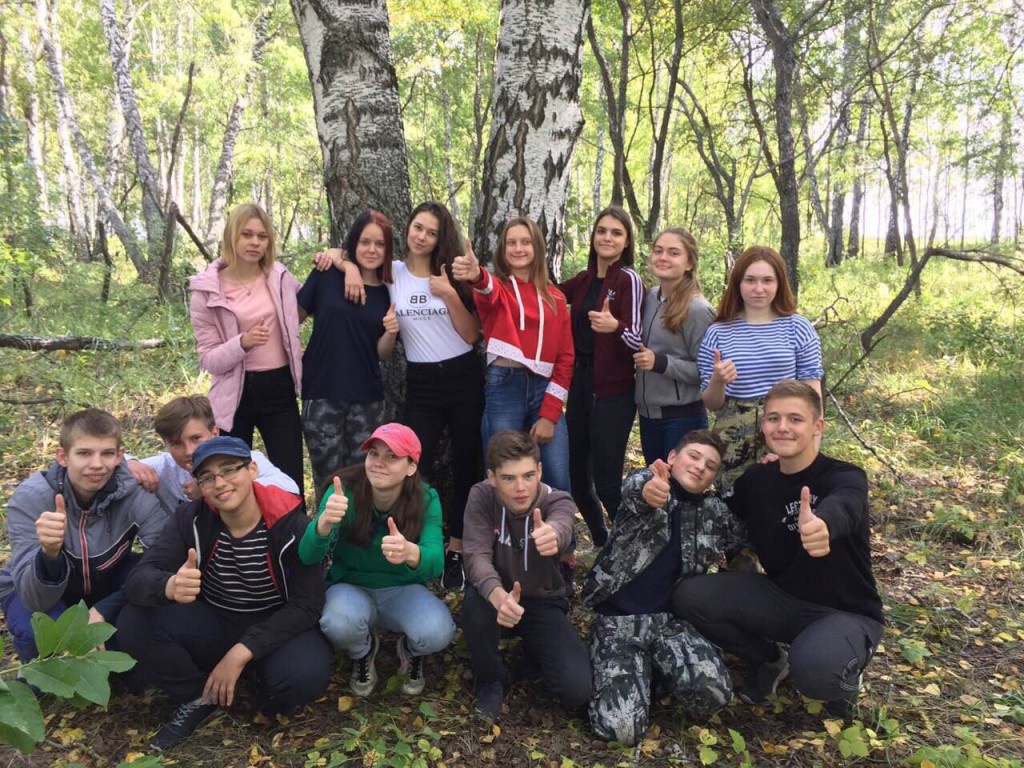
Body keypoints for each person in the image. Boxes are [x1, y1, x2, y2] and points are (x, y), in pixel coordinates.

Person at [672, 381, 884, 721]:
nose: (782, 427)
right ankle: (768, 659)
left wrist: (824, 525)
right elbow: (714, 514)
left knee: (814, 671)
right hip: (782, 599)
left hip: (846, 612)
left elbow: (847, 503)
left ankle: (843, 678)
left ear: (817, 426)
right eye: (773, 418)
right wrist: (663, 489)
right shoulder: (757, 479)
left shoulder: (844, 475)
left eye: (795, 419)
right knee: (690, 595)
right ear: (764, 426)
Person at [117, 437, 331, 751]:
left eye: (230, 470)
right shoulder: (191, 519)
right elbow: (139, 577)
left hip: (275, 624)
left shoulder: (291, 524)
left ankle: (253, 682)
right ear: (200, 486)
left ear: (252, 470)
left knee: (304, 676)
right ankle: (198, 697)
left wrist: (242, 652)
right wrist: (169, 585)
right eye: (207, 477)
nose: (220, 483)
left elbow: (307, 605)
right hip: (214, 620)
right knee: (135, 620)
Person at [319, 202, 483, 590]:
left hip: (463, 375)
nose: (422, 237)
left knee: (467, 463)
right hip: (421, 381)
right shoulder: (391, 273)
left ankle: (456, 549)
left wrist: (449, 294)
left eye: (431, 232)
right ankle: (410, 545)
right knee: (412, 465)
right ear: (407, 229)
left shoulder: (450, 273)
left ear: (440, 238)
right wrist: (347, 267)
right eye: (417, 228)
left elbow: (472, 335)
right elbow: (343, 252)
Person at [583, 429, 746, 745]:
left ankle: (652, 671)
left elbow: (752, 533)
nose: (700, 467)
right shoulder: (648, 485)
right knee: (620, 731)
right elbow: (636, 488)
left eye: (710, 466)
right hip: (618, 623)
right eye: (693, 456)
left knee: (715, 694)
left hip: (670, 625)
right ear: (672, 457)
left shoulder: (715, 513)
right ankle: (626, 671)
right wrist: (649, 489)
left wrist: (772, 473)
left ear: (713, 477)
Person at [298, 423, 454, 697]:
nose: (379, 463)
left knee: (437, 631)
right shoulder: (343, 491)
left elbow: (436, 561)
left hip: (403, 590)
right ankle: (363, 650)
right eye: (374, 454)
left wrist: (410, 552)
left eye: (392, 456)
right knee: (337, 622)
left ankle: (409, 650)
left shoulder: (426, 498)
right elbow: (307, 555)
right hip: (351, 587)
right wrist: (323, 524)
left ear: (411, 467)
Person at [0, 409, 168, 662]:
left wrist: (105, 607)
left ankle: (119, 667)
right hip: (36, 591)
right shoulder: (32, 498)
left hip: (106, 578)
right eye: (84, 453)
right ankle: (40, 676)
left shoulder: (135, 494)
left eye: (107, 453)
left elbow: (165, 558)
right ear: (63, 456)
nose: (97, 464)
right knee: (40, 635)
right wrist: (49, 554)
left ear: (119, 456)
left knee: (150, 603)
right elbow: (34, 599)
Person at [461, 431, 592, 721]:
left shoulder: (558, 500)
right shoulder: (481, 496)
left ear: (540, 471)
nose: (520, 488)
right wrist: (498, 596)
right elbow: (475, 555)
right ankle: (490, 678)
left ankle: (530, 655)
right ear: (492, 477)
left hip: (543, 601)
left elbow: (562, 523)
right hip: (495, 597)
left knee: (577, 690)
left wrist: (553, 535)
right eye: (508, 478)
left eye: (528, 476)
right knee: (474, 608)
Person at [451, 216, 574, 495]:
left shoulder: (556, 298)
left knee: (557, 480)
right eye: (511, 243)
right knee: (503, 475)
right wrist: (476, 274)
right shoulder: (500, 289)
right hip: (504, 386)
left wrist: (549, 415)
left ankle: (556, 527)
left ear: (537, 247)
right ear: (503, 249)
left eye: (526, 242)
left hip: (545, 391)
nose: (518, 248)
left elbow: (566, 358)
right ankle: (503, 526)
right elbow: (486, 288)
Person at [188, 203, 305, 494]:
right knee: (230, 476)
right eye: (247, 234)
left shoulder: (279, 276)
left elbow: (309, 303)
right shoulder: (206, 290)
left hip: (279, 388)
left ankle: (292, 524)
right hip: (233, 394)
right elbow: (208, 358)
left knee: (289, 476)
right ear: (232, 236)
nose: (255, 243)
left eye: (262, 236)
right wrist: (242, 343)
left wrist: (342, 262)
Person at [697, 245, 823, 491]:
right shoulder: (717, 332)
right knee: (734, 503)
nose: (758, 288)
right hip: (732, 437)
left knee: (783, 501)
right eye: (750, 280)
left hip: (785, 429)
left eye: (767, 280)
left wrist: (810, 449)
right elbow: (712, 404)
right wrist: (718, 380)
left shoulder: (798, 328)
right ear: (738, 283)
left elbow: (813, 395)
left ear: (779, 284)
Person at [558, 206, 644, 545]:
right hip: (579, 386)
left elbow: (637, 339)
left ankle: (633, 546)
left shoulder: (628, 280)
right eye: (602, 231)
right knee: (578, 480)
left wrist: (615, 327)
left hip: (613, 393)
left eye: (616, 233)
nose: (607, 238)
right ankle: (602, 541)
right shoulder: (583, 280)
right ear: (593, 236)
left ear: (627, 242)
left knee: (608, 481)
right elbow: (545, 292)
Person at [299, 210, 399, 493]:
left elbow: (380, 353)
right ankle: (326, 524)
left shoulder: (388, 291)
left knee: (362, 480)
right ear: (353, 243)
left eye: (379, 244)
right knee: (328, 479)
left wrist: (391, 332)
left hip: (367, 399)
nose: (372, 249)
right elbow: (292, 317)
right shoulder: (327, 275)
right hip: (322, 392)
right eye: (365, 242)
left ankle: (358, 525)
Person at [126, 395, 298, 514]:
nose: (189, 451)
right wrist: (131, 462)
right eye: (176, 443)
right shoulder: (164, 466)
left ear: (214, 433)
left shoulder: (244, 459)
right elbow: (114, 464)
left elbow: (290, 488)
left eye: (196, 438)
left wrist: (209, 488)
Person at [634, 228, 715, 466]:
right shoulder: (648, 297)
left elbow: (707, 372)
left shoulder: (698, 309)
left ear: (689, 263)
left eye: (673, 253)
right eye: (658, 251)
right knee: (656, 484)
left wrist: (660, 363)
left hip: (683, 419)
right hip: (648, 417)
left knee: (677, 486)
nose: (663, 257)